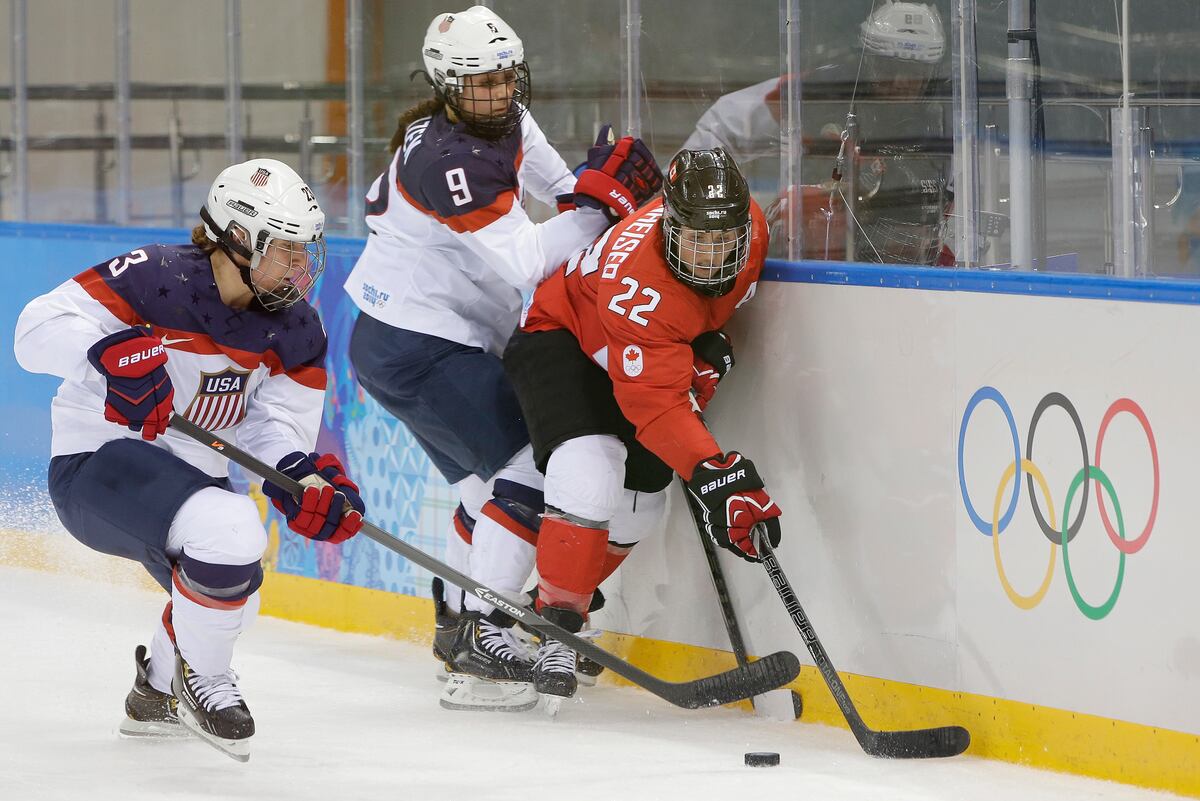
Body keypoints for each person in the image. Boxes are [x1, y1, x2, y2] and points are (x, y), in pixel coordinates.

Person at [342, 5, 661, 711]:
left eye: (506, 78)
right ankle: (485, 632)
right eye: (481, 82)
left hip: (411, 337)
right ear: (449, 85)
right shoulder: (446, 160)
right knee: (526, 465)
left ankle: (462, 631)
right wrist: (601, 205)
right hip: (416, 342)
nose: (498, 93)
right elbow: (526, 258)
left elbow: (561, 190)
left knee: (486, 495)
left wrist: (601, 192)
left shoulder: (504, 119)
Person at [13, 158, 367, 761]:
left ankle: (156, 692)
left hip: (189, 480)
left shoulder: (300, 330)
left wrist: (298, 475)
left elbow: (272, 426)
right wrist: (105, 351)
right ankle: (202, 683)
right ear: (235, 239)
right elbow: (34, 328)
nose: (300, 266)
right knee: (232, 533)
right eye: (284, 249)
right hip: (97, 459)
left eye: (306, 250)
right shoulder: (154, 277)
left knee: (237, 587)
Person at [502, 147, 783, 701]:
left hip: (643, 352)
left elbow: (687, 334)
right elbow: (654, 407)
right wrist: (717, 476)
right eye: (695, 240)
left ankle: (551, 603)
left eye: (720, 240)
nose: (708, 256)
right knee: (589, 469)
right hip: (561, 336)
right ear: (669, 225)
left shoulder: (750, 223)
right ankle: (560, 625)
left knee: (640, 506)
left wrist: (702, 353)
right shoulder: (641, 285)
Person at [683, 0, 954, 266]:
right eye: (890, 68)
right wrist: (685, 201)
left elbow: (948, 202)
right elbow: (725, 122)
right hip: (817, 260)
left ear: (932, 72)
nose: (900, 82)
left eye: (914, 71)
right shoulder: (816, 92)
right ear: (867, 59)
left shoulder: (948, 115)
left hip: (906, 265)